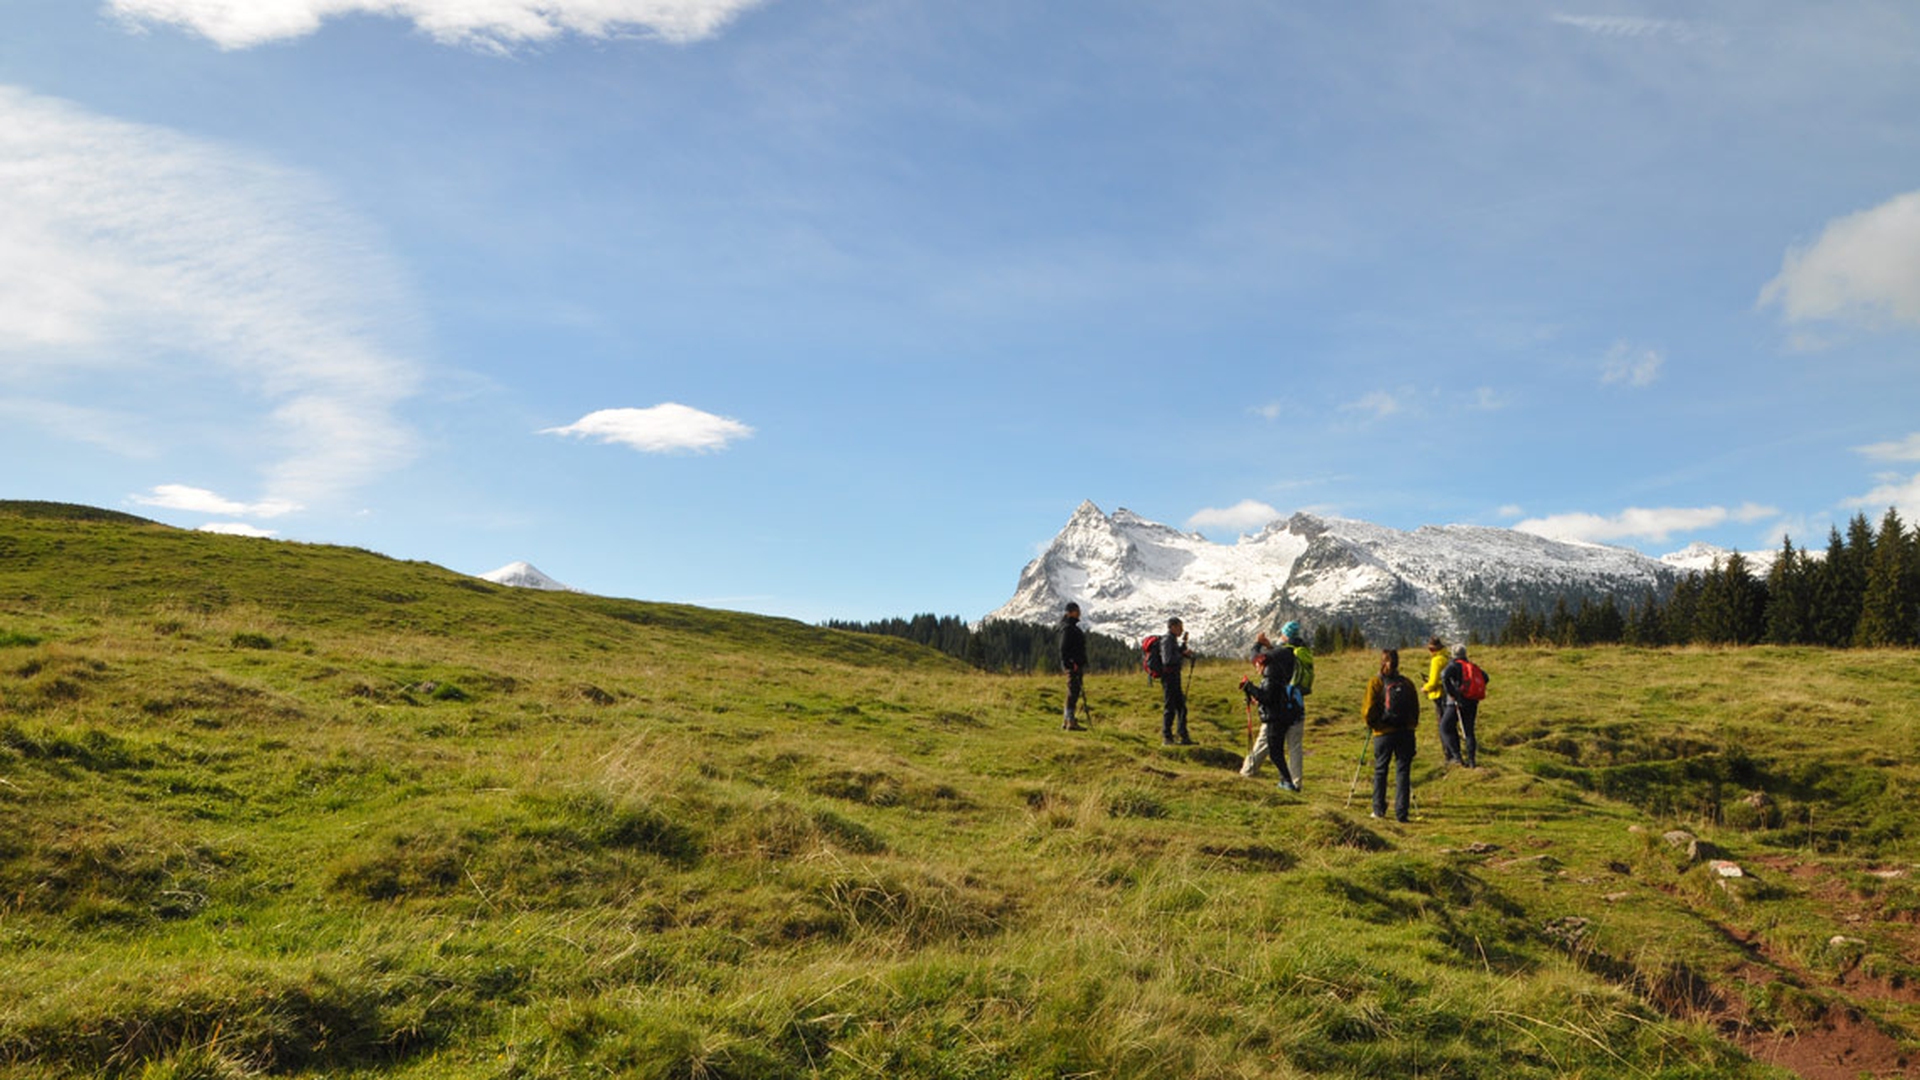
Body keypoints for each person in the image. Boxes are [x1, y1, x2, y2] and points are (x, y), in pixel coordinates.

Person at [1361, 648, 1421, 822]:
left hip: (1383, 732)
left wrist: (1373, 724)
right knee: (1403, 771)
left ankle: (1378, 810)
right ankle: (1402, 813)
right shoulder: (1407, 683)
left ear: (1381, 662)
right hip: (1406, 732)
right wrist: (1411, 726)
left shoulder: (1376, 682)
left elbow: (1368, 710)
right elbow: (1415, 709)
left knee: (1381, 770)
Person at [1239, 646, 1301, 790]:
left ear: (1262, 664)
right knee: (1276, 752)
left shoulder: (1270, 679)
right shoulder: (1276, 677)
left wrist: (1249, 687)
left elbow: (1267, 698)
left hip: (1274, 720)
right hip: (1279, 718)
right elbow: (1270, 697)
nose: (1256, 669)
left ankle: (1287, 781)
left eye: (1257, 666)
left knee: (1275, 753)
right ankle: (1285, 781)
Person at [1277, 620, 1314, 788]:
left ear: (1286, 635)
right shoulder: (1303, 651)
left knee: (1268, 739)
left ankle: (1248, 772)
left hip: (1283, 699)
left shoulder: (1286, 652)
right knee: (1295, 745)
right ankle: (1296, 781)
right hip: (1298, 699)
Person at [1439, 644, 1489, 768]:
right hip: (1472, 701)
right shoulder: (1472, 666)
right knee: (1469, 731)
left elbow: (1444, 675)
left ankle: (1457, 757)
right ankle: (1472, 761)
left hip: (1457, 702)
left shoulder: (1454, 665)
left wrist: (1453, 693)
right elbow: (1486, 678)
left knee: (1445, 727)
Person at [1159, 617, 1193, 745]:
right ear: (1172, 627)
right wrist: (1183, 655)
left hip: (1174, 677)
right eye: (1179, 627)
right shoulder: (1167, 640)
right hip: (1169, 678)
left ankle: (1182, 735)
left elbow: (1175, 654)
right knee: (1170, 707)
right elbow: (1167, 660)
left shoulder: (1172, 640)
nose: (1181, 630)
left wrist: (1184, 645)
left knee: (1181, 707)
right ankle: (1167, 737)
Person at [1422, 636, 1453, 762]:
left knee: (1442, 725)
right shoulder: (1447, 657)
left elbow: (1434, 682)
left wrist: (1425, 687)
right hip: (1449, 693)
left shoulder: (1436, 660)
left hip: (1439, 694)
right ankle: (1453, 751)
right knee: (1450, 724)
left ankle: (1448, 754)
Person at [1060, 602, 1088, 731]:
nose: (1079, 613)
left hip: (1076, 665)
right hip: (1073, 666)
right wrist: (1071, 664)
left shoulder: (1071, 627)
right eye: (1077, 611)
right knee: (1073, 692)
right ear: (1070, 612)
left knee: (1074, 692)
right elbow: (1063, 649)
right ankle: (1070, 721)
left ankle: (1068, 720)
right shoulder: (1068, 628)